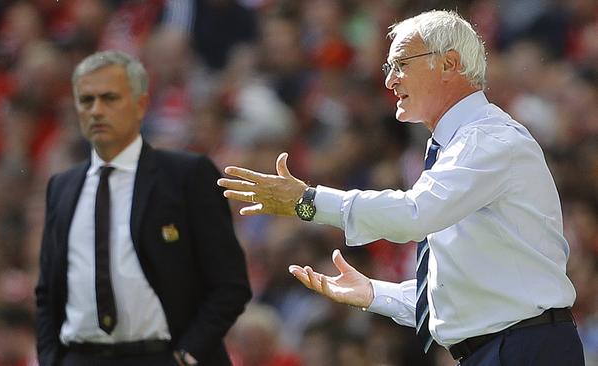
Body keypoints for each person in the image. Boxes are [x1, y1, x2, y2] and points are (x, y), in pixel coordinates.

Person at [217, 10, 585, 365]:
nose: (390, 80)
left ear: (449, 63)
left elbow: (415, 214)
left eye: (401, 65)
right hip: (506, 348)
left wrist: (308, 202)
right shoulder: (457, 147)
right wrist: (376, 293)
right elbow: (466, 295)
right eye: (388, 67)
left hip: (525, 349)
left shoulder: (488, 139)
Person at [35, 50, 251, 366]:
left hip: (162, 356)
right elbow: (47, 292)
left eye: (110, 98)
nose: (96, 110)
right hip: (81, 357)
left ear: (140, 105)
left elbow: (230, 283)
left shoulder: (186, 176)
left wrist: (187, 353)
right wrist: (52, 359)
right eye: (86, 100)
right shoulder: (61, 186)